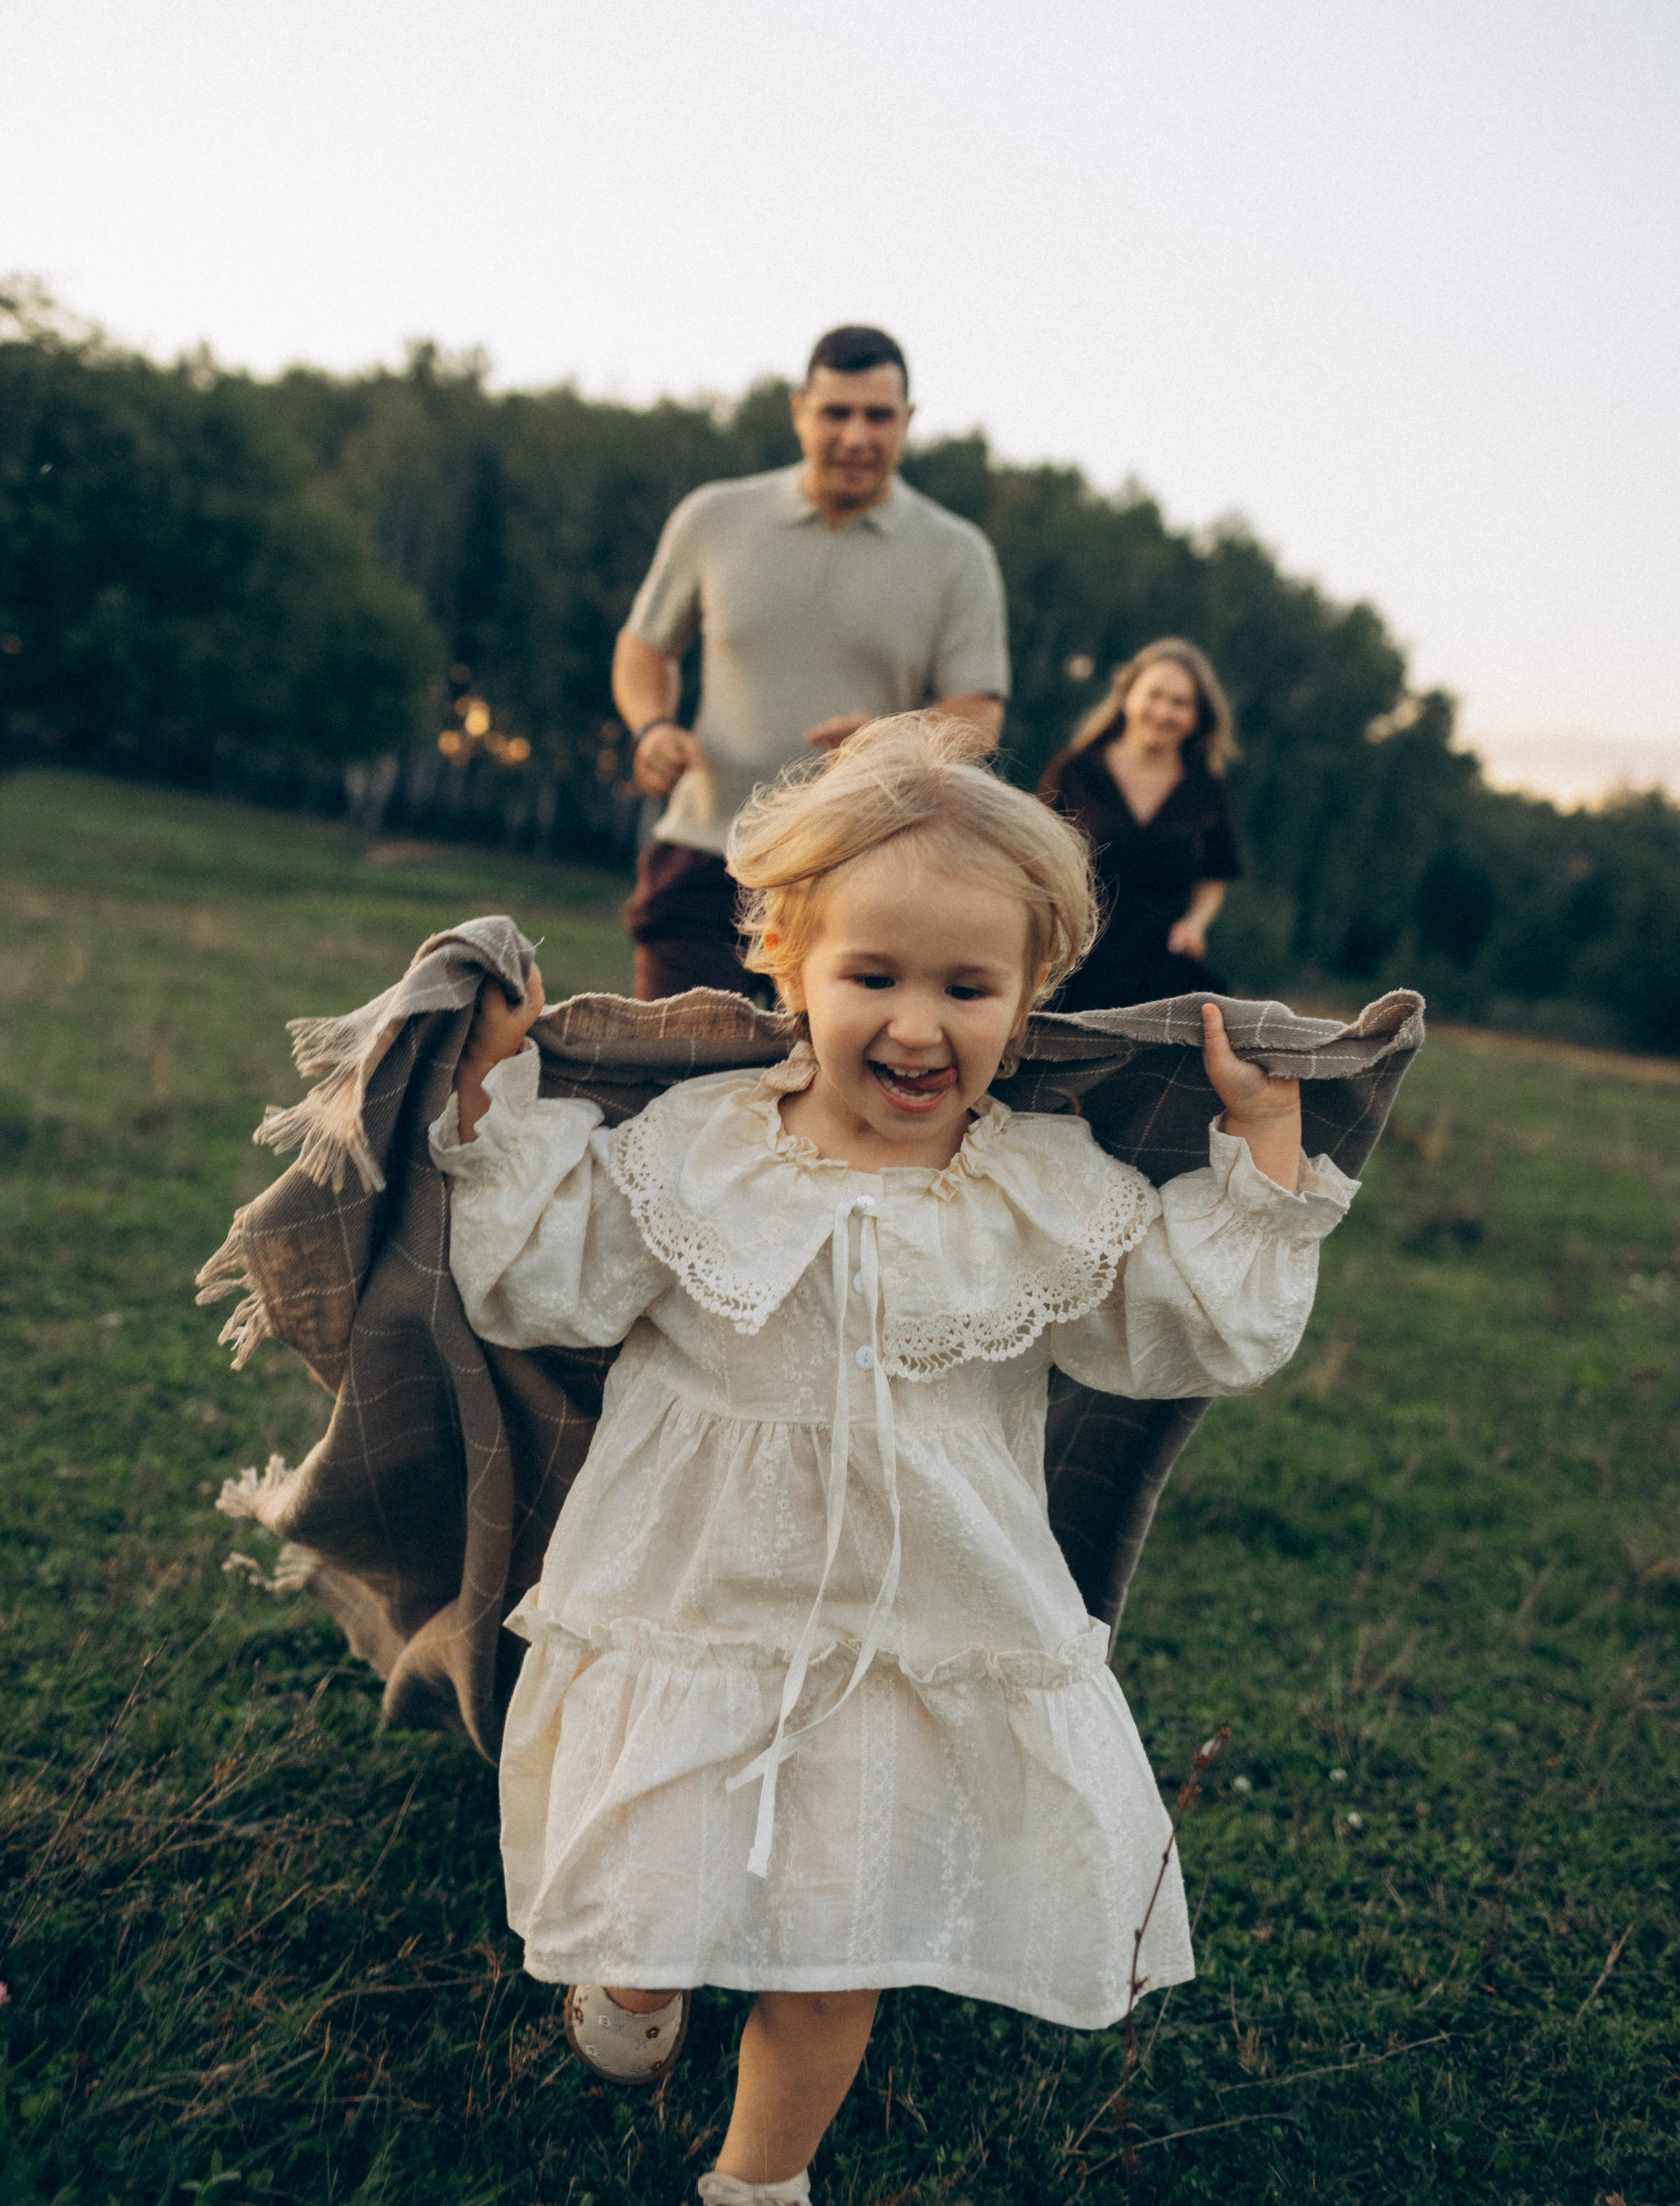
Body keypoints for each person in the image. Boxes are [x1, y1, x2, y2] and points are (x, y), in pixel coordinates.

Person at [429, 714, 1356, 2205]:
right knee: (650, 1888)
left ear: (1028, 996)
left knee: (831, 1944)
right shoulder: (702, 1146)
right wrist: (488, 1106)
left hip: (910, 1629)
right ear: (786, 959)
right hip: (690, 1596)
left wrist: (1259, 1158)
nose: (918, 1027)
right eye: (874, 976)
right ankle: (638, 1977)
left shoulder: (1042, 1189)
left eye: (965, 987)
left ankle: (759, 2181)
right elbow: (547, 1279)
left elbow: (1183, 1322)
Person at [612, 324, 1010, 1000]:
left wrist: (892, 746)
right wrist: (651, 727)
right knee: (672, 1062)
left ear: (907, 421)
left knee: (824, 1072)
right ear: (799, 411)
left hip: (864, 873)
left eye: (879, 416)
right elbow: (645, 646)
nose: (857, 436)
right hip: (708, 855)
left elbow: (977, 712)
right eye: (836, 413)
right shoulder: (712, 517)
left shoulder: (957, 554)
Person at [1038, 637, 1244, 1011]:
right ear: (1127, 696)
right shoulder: (1074, 771)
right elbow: (1033, 861)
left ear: (1197, 716)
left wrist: (1195, 924)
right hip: (1076, 963)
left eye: (1180, 703)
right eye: (1154, 695)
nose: (1163, 712)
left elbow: (1214, 876)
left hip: (1163, 970)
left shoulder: (1207, 789)